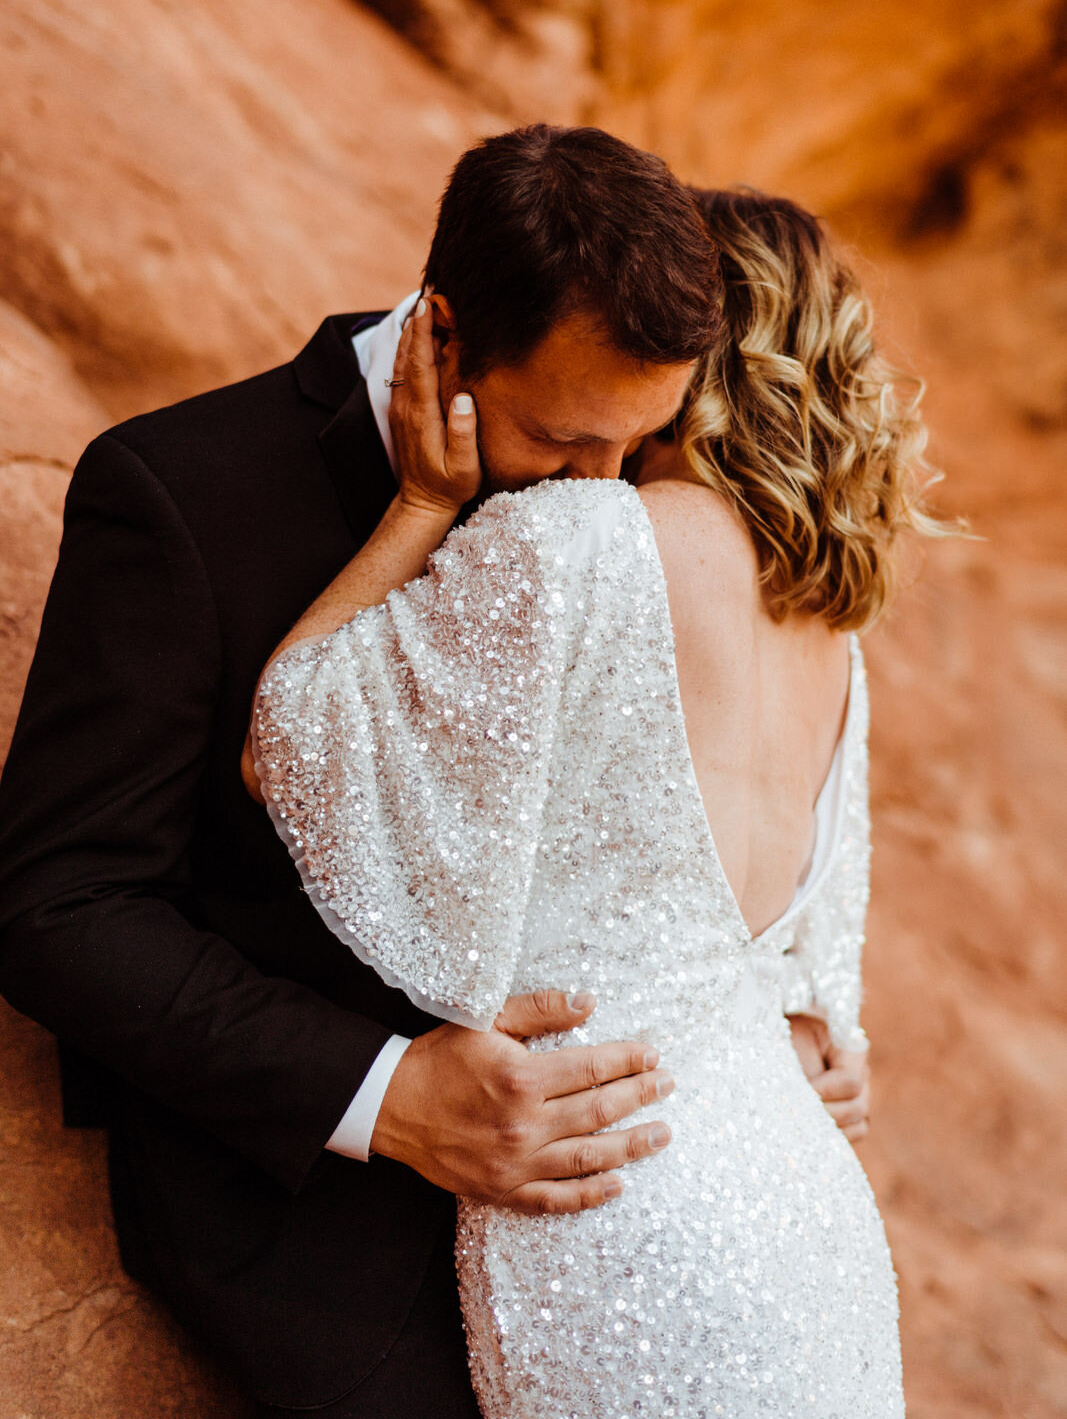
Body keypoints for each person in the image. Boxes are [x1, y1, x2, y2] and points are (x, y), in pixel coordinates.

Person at [0, 124, 866, 1418]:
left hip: (628, 1202)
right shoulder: (187, 491)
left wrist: (773, 1023)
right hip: (326, 1213)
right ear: (444, 336)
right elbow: (55, 904)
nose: (602, 492)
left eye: (637, 444)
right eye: (563, 442)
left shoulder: (636, 518)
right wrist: (389, 1095)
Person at [247, 183, 943, 1415]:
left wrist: (419, 505)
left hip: (620, 1193)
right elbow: (806, 990)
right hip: (805, 1218)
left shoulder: (586, 540)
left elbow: (294, 737)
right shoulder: (835, 645)